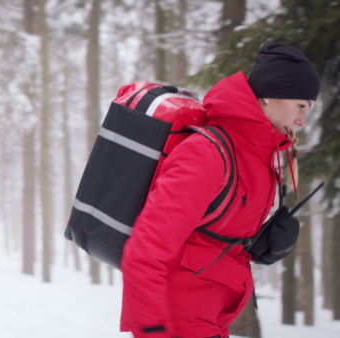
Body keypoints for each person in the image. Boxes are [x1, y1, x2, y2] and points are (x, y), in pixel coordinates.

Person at [119, 42, 320, 338]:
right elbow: (146, 250)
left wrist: (262, 246)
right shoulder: (207, 154)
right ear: (268, 94)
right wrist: (151, 330)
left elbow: (213, 240)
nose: (302, 121)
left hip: (210, 319)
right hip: (176, 322)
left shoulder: (257, 156)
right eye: (301, 106)